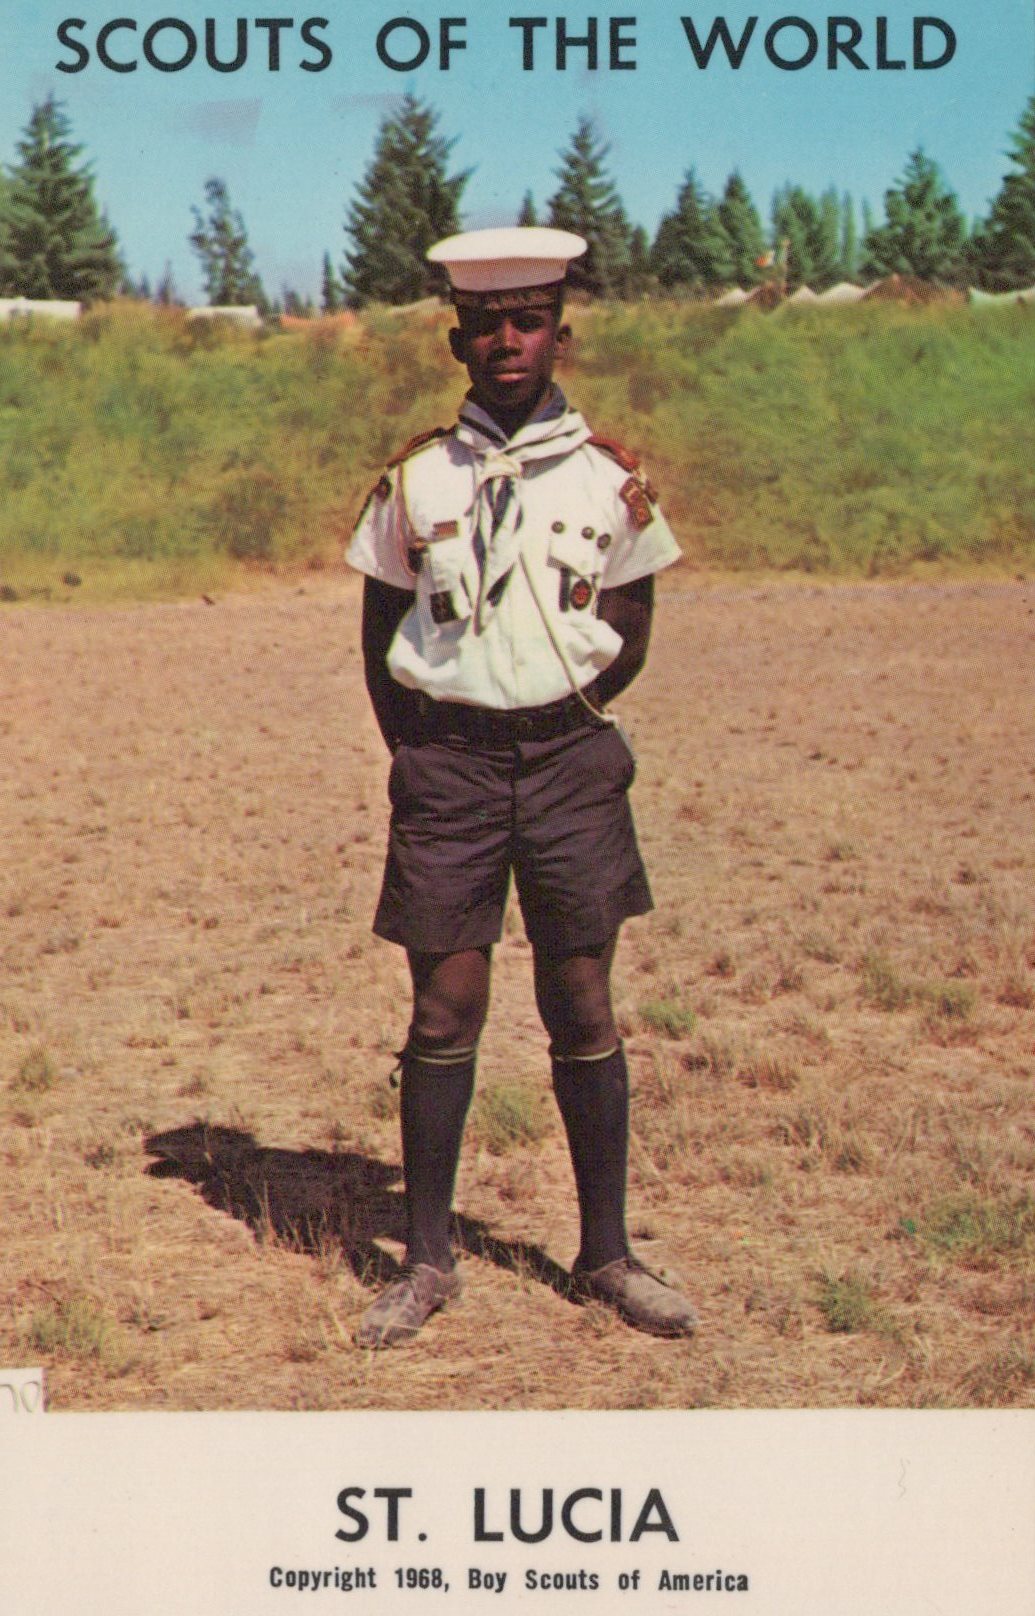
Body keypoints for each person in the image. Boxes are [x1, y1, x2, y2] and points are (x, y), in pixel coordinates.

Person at [345, 226, 697, 1348]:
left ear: (559, 330)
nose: (508, 339)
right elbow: (380, 633)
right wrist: (426, 745)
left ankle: (605, 1252)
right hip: (447, 765)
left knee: (582, 1000)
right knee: (444, 1005)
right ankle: (429, 1259)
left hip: (569, 765)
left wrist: (557, 712)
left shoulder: (611, 478)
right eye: (487, 321)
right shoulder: (417, 478)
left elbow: (630, 627)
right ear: (457, 335)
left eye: (530, 317)